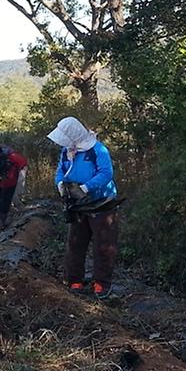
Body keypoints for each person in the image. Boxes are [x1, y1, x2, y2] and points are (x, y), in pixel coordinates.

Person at [47, 116, 119, 299]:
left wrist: (86, 188)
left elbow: (106, 173)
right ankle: (74, 280)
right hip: (78, 204)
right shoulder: (67, 151)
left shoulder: (98, 150)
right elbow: (61, 170)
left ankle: (101, 284)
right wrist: (61, 184)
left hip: (101, 203)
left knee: (103, 244)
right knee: (76, 242)